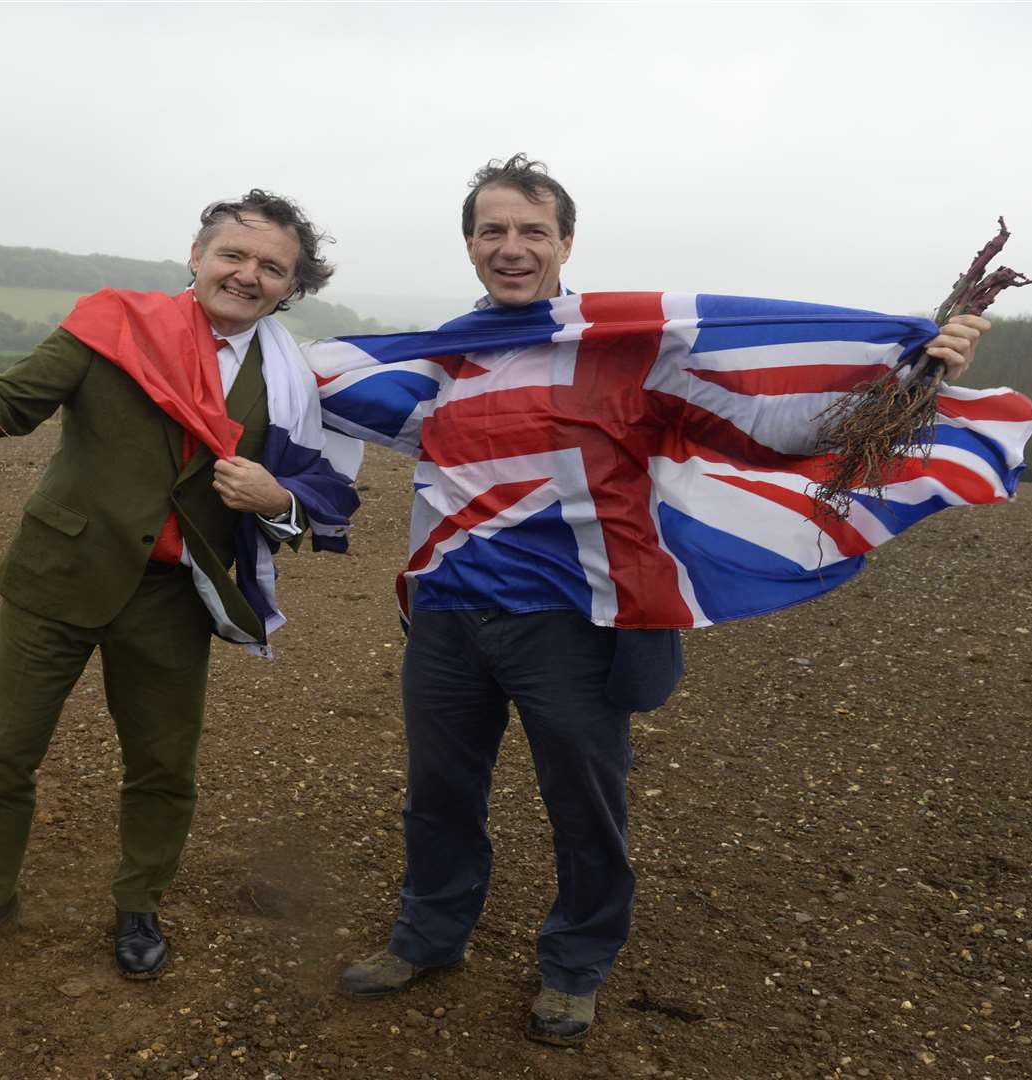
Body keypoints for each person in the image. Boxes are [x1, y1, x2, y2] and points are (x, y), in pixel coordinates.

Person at [334, 155, 990, 1045]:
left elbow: (785, 426)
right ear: (469, 244)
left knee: (585, 807)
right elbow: (319, 402)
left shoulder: (628, 346)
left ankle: (575, 964)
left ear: (567, 243)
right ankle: (428, 936)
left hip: (576, 626)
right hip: (448, 616)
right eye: (493, 230)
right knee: (439, 795)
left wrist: (914, 374)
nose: (512, 248)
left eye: (533, 231)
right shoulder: (446, 353)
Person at [0, 190, 355, 983]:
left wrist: (278, 499)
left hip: (177, 594)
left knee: (162, 766)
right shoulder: (112, 324)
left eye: (271, 268)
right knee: (6, 757)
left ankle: (139, 905)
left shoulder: (294, 380)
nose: (248, 275)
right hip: (61, 574)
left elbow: (318, 486)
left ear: (291, 286)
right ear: (196, 255)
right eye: (233, 255)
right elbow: (3, 405)